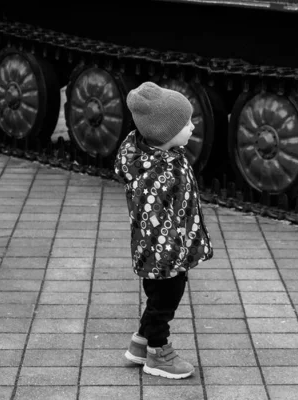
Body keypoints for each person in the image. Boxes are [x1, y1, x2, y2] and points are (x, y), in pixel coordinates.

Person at [114, 81, 214, 379]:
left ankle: (140, 344)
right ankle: (158, 353)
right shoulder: (154, 172)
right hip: (163, 252)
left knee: (159, 298)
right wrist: (171, 254)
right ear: (165, 132)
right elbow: (152, 218)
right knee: (165, 300)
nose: (193, 126)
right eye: (186, 122)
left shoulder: (166, 155)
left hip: (167, 247)